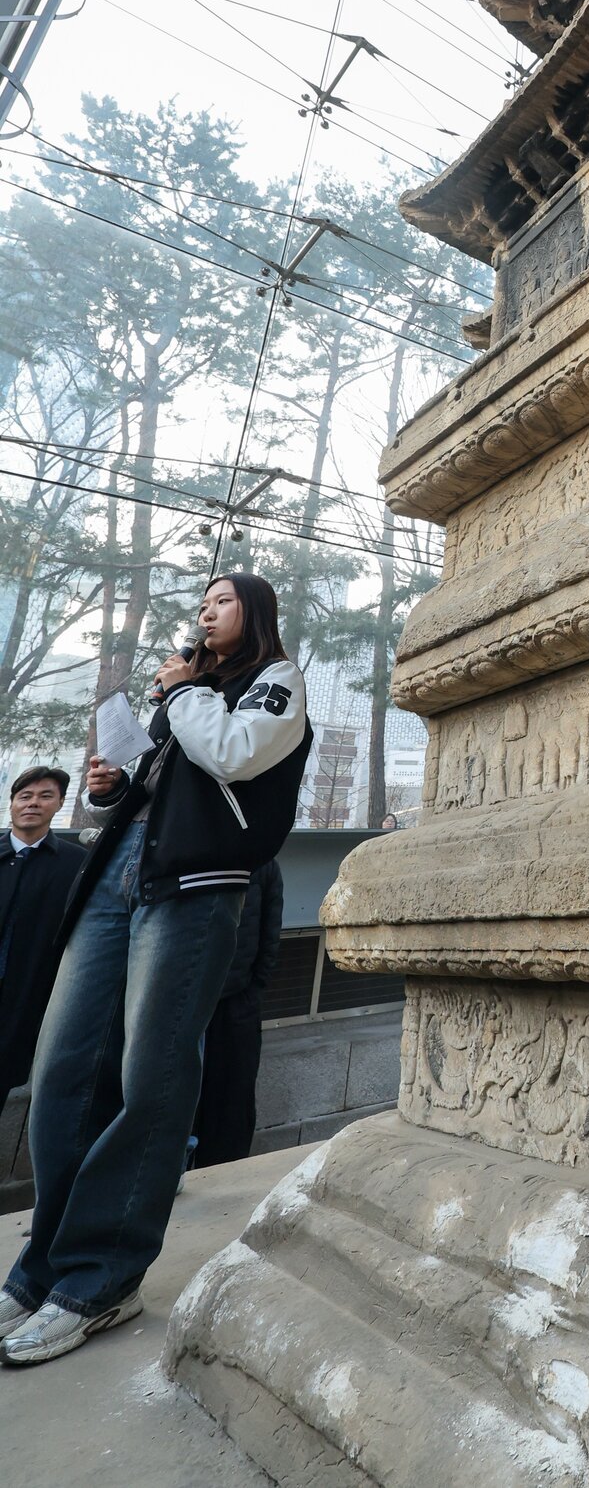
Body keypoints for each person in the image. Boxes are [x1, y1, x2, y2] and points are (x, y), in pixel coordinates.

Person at [0, 573, 312, 1368]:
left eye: (222, 601)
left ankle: (102, 1279)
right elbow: (168, 788)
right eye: (200, 604)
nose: (205, 612)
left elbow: (237, 758)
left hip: (196, 890)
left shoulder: (274, 683)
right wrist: (115, 790)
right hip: (116, 876)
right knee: (65, 1069)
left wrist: (180, 698)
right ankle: (43, 1267)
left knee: (152, 1075)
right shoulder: (192, 697)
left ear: (257, 614)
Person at [0, 769, 85, 1119]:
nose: (33, 803)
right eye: (25, 796)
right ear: (12, 804)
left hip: (24, 998)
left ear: (60, 803)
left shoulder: (76, 864)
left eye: (45, 796)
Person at [191, 856, 283, 1168]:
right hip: (186, 1000)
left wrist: (252, 992)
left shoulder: (264, 862)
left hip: (236, 1004)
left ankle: (222, 1173)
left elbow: (270, 932)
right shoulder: (190, 848)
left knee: (232, 1100)